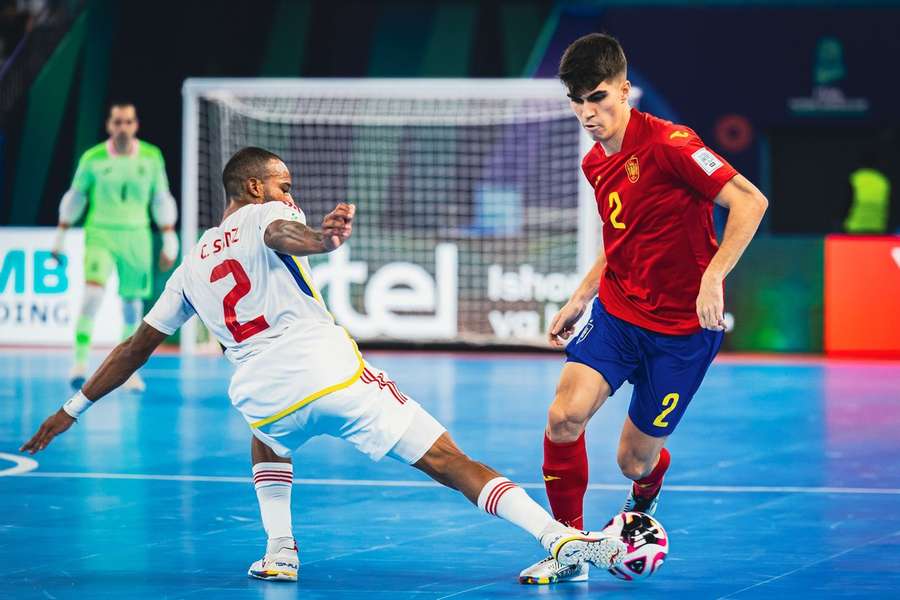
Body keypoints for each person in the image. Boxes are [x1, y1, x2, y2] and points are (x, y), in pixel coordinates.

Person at [22, 147, 627, 583]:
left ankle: (280, 549)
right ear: (254, 189)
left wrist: (71, 408)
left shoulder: (187, 268)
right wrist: (325, 241)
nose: (290, 194)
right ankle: (560, 537)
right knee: (448, 461)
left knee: (267, 435)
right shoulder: (263, 216)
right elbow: (287, 233)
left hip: (262, 392)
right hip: (327, 371)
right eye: (282, 184)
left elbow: (134, 348)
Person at [518, 34, 769, 585]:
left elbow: (751, 201)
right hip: (618, 315)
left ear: (625, 89)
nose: (588, 113)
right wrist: (581, 296)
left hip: (683, 333)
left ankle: (645, 496)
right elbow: (621, 238)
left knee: (633, 460)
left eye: (599, 97)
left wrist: (713, 276)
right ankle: (569, 547)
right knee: (564, 418)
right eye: (577, 100)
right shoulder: (595, 163)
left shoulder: (674, 144)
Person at [51, 101, 179, 392]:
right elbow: (75, 197)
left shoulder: (151, 157)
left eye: (128, 122)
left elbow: (161, 198)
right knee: (92, 296)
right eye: (118, 122)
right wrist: (59, 237)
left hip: (137, 238)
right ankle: (80, 364)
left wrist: (169, 238)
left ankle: (127, 371)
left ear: (135, 125)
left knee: (132, 307)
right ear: (110, 125)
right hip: (101, 234)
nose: (123, 127)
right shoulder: (93, 158)